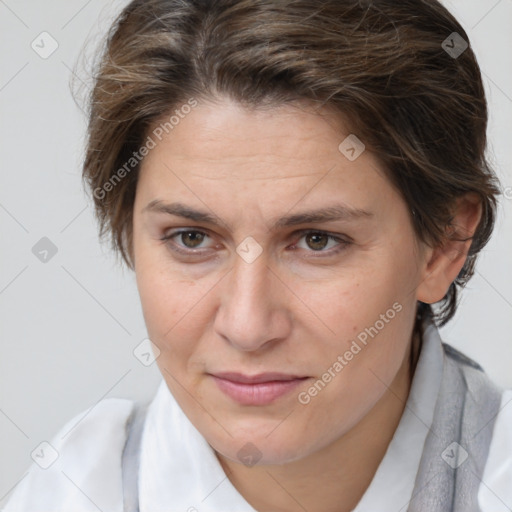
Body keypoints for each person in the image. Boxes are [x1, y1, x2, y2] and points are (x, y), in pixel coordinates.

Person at [4, 1, 511, 511]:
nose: (247, 327)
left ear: (443, 246)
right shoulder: (72, 492)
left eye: (317, 240)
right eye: (192, 239)